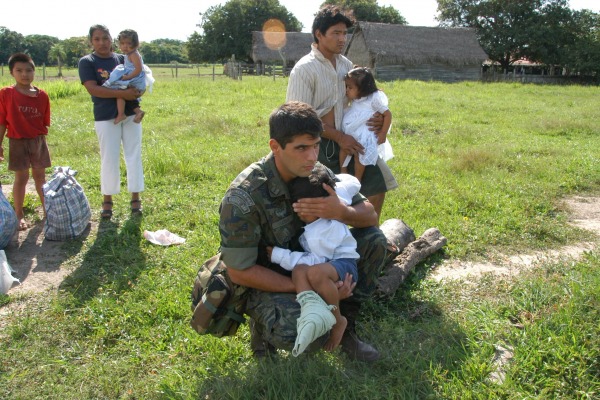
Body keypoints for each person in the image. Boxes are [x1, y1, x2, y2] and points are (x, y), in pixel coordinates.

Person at [219, 101, 388, 362]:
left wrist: (341, 212)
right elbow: (239, 271)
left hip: (317, 266)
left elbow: (370, 216)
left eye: (316, 146)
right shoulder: (244, 196)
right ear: (275, 147)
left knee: (374, 240)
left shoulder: (317, 173)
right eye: (301, 148)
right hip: (271, 277)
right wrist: (308, 289)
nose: (312, 156)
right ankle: (262, 330)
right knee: (296, 327)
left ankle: (345, 327)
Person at [286, 4, 398, 223]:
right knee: (324, 198)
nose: (342, 38)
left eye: (344, 33)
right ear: (319, 34)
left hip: (351, 137)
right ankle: (331, 244)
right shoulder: (304, 69)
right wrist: (339, 137)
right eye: (336, 33)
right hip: (318, 144)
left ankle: (367, 240)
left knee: (376, 185)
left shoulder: (346, 66)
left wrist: (376, 116)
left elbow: (366, 93)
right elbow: (297, 119)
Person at [267, 164, 361, 355]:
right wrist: (336, 189)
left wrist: (279, 255)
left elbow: (316, 260)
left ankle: (337, 319)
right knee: (299, 271)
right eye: (297, 204)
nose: (298, 210)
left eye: (305, 207)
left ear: (320, 204)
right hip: (328, 266)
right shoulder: (332, 198)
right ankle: (310, 307)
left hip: (344, 264)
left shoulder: (321, 231)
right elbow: (353, 182)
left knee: (314, 272)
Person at [78, 25, 145, 219]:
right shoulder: (87, 62)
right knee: (109, 158)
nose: (102, 43)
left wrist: (137, 91)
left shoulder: (122, 57)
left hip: (131, 114)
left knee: (134, 154)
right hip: (106, 116)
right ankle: (107, 201)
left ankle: (135, 198)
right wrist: (122, 93)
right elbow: (94, 89)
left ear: (111, 40)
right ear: (91, 41)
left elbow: (138, 77)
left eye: (105, 38)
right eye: (97, 39)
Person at [0, 53, 51, 230]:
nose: (24, 74)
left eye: (29, 70)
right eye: (19, 70)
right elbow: (2, 122)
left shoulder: (42, 96)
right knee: (21, 177)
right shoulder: (6, 94)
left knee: (40, 177)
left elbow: (44, 122)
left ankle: (48, 210)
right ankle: (19, 214)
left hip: (37, 141)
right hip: (17, 141)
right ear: (11, 73)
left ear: (34, 72)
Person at [340, 66, 393, 182]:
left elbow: (388, 114)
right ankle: (343, 171)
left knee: (360, 155)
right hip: (352, 130)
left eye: (350, 87)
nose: (346, 90)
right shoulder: (354, 98)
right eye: (346, 87)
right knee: (344, 149)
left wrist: (383, 133)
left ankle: (357, 179)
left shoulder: (373, 99)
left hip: (365, 133)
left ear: (362, 89)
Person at [102, 29, 154, 125]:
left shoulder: (133, 54)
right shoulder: (129, 54)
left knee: (120, 93)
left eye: (129, 43)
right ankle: (137, 112)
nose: (125, 46)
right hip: (133, 78)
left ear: (135, 44)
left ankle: (122, 114)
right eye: (122, 43)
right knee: (124, 95)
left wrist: (127, 77)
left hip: (135, 79)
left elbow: (138, 69)